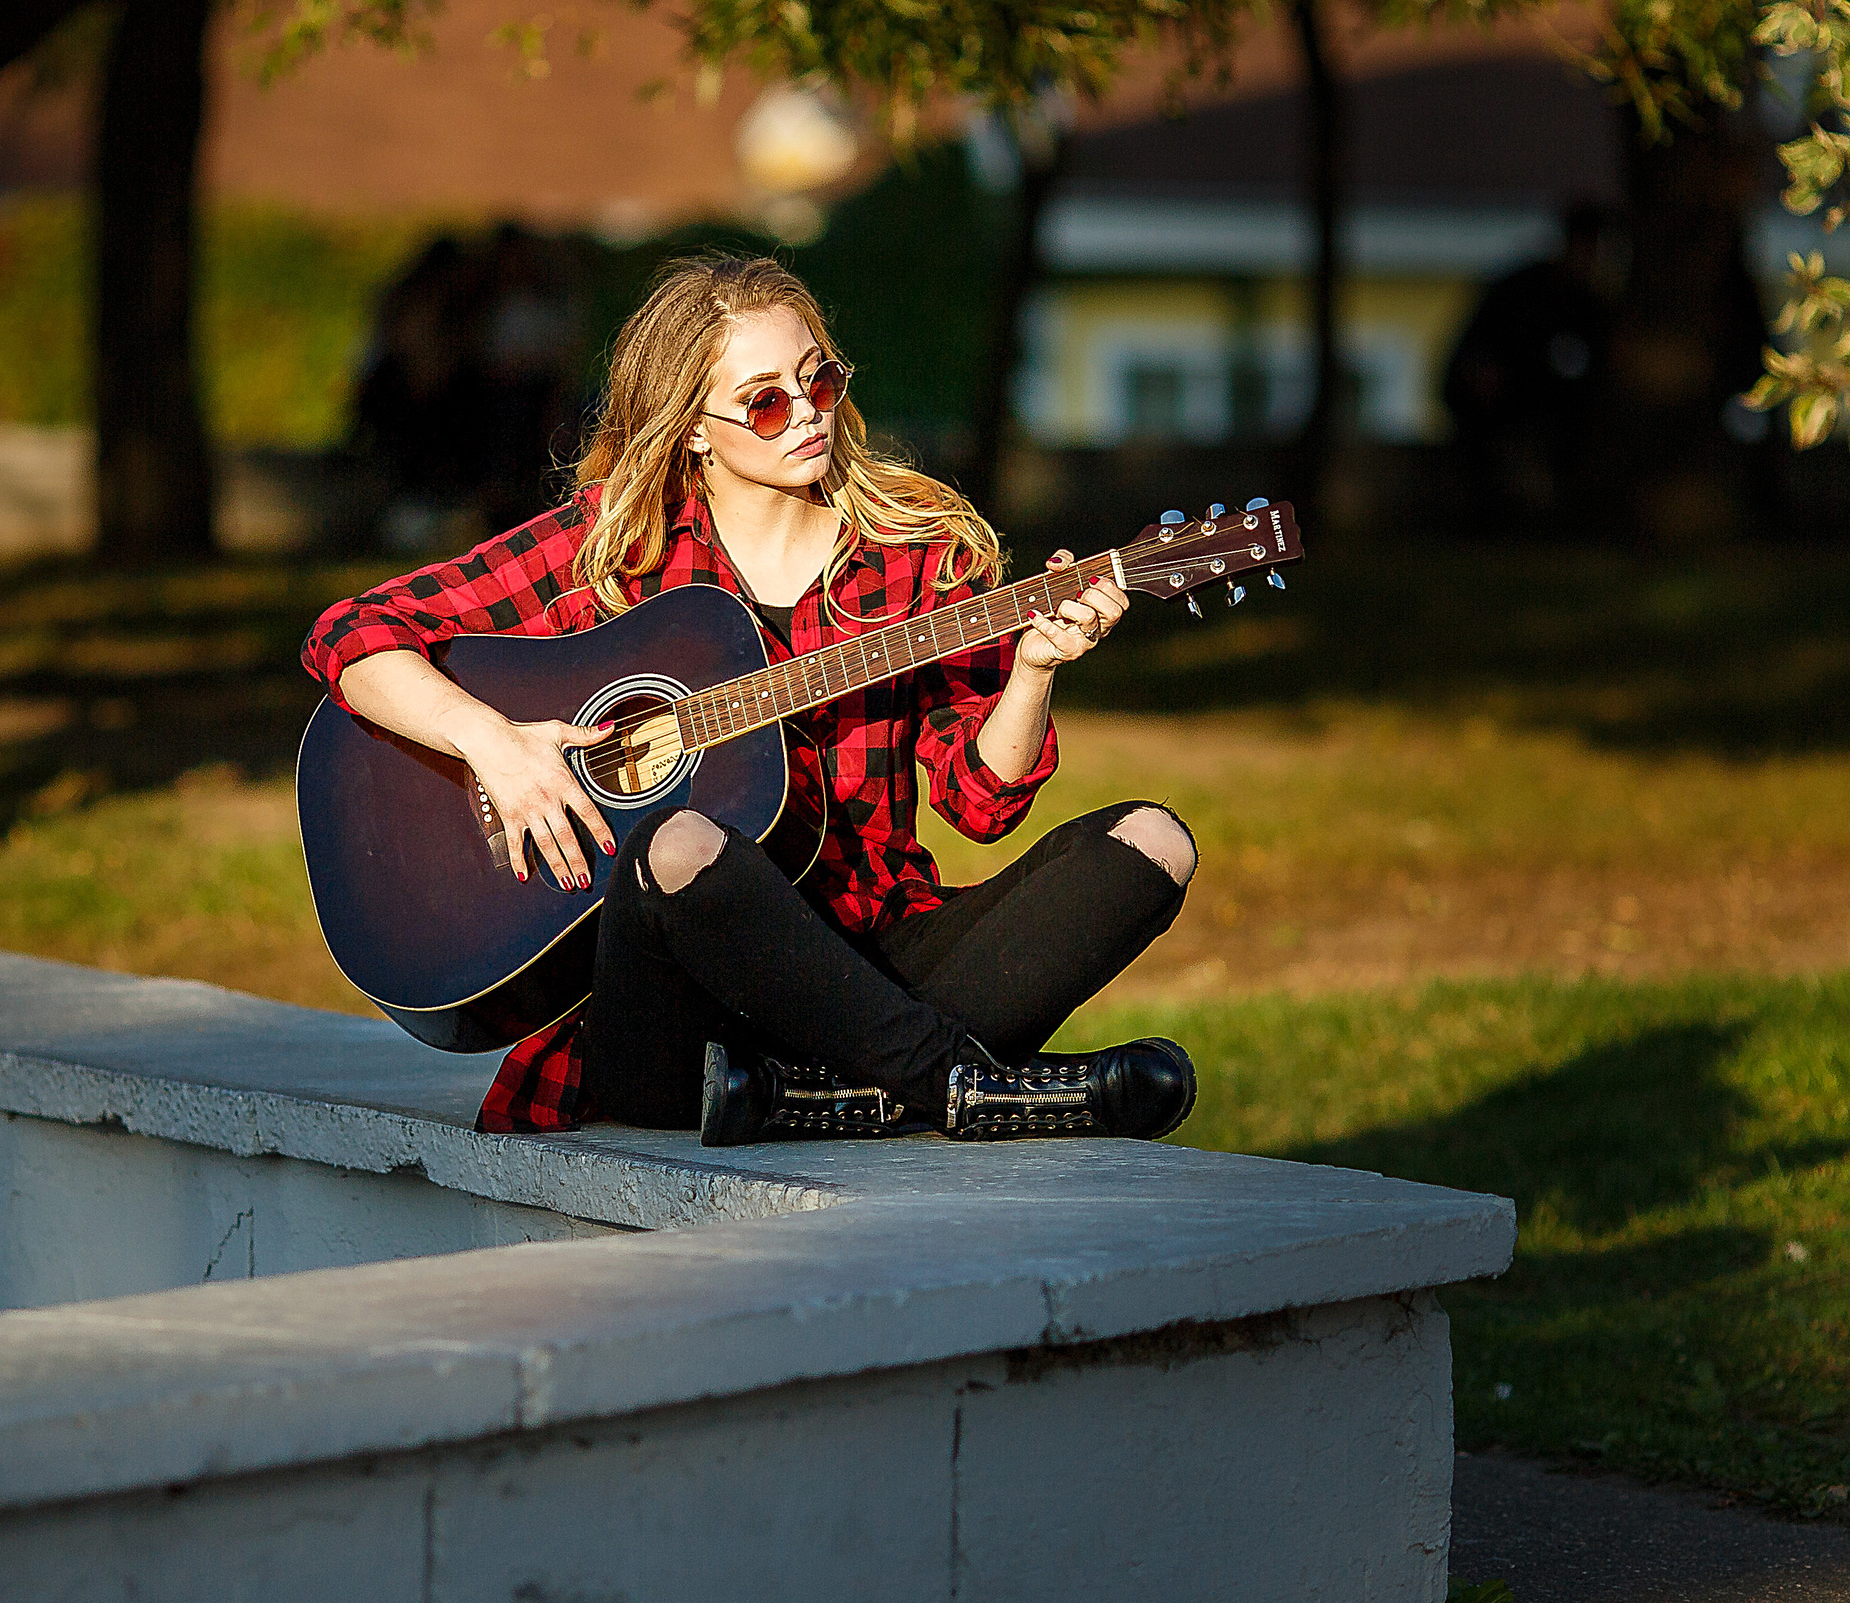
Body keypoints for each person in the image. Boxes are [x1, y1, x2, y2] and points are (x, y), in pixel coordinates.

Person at [302, 256, 1198, 1145]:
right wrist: (491, 742)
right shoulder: (618, 546)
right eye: (767, 400)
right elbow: (352, 634)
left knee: (1153, 843)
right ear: (694, 427)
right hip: (679, 1015)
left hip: (873, 958)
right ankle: (966, 1086)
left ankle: (832, 1096)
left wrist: (1035, 668)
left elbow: (982, 800)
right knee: (682, 843)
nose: (808, 412)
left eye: (821, 378)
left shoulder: (914, 557)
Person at [1440, 198, 1621, 525]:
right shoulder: (1525, 291)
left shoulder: (1590, 305)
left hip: (1541, 412)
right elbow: (1478, 362)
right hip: (1495, 408)